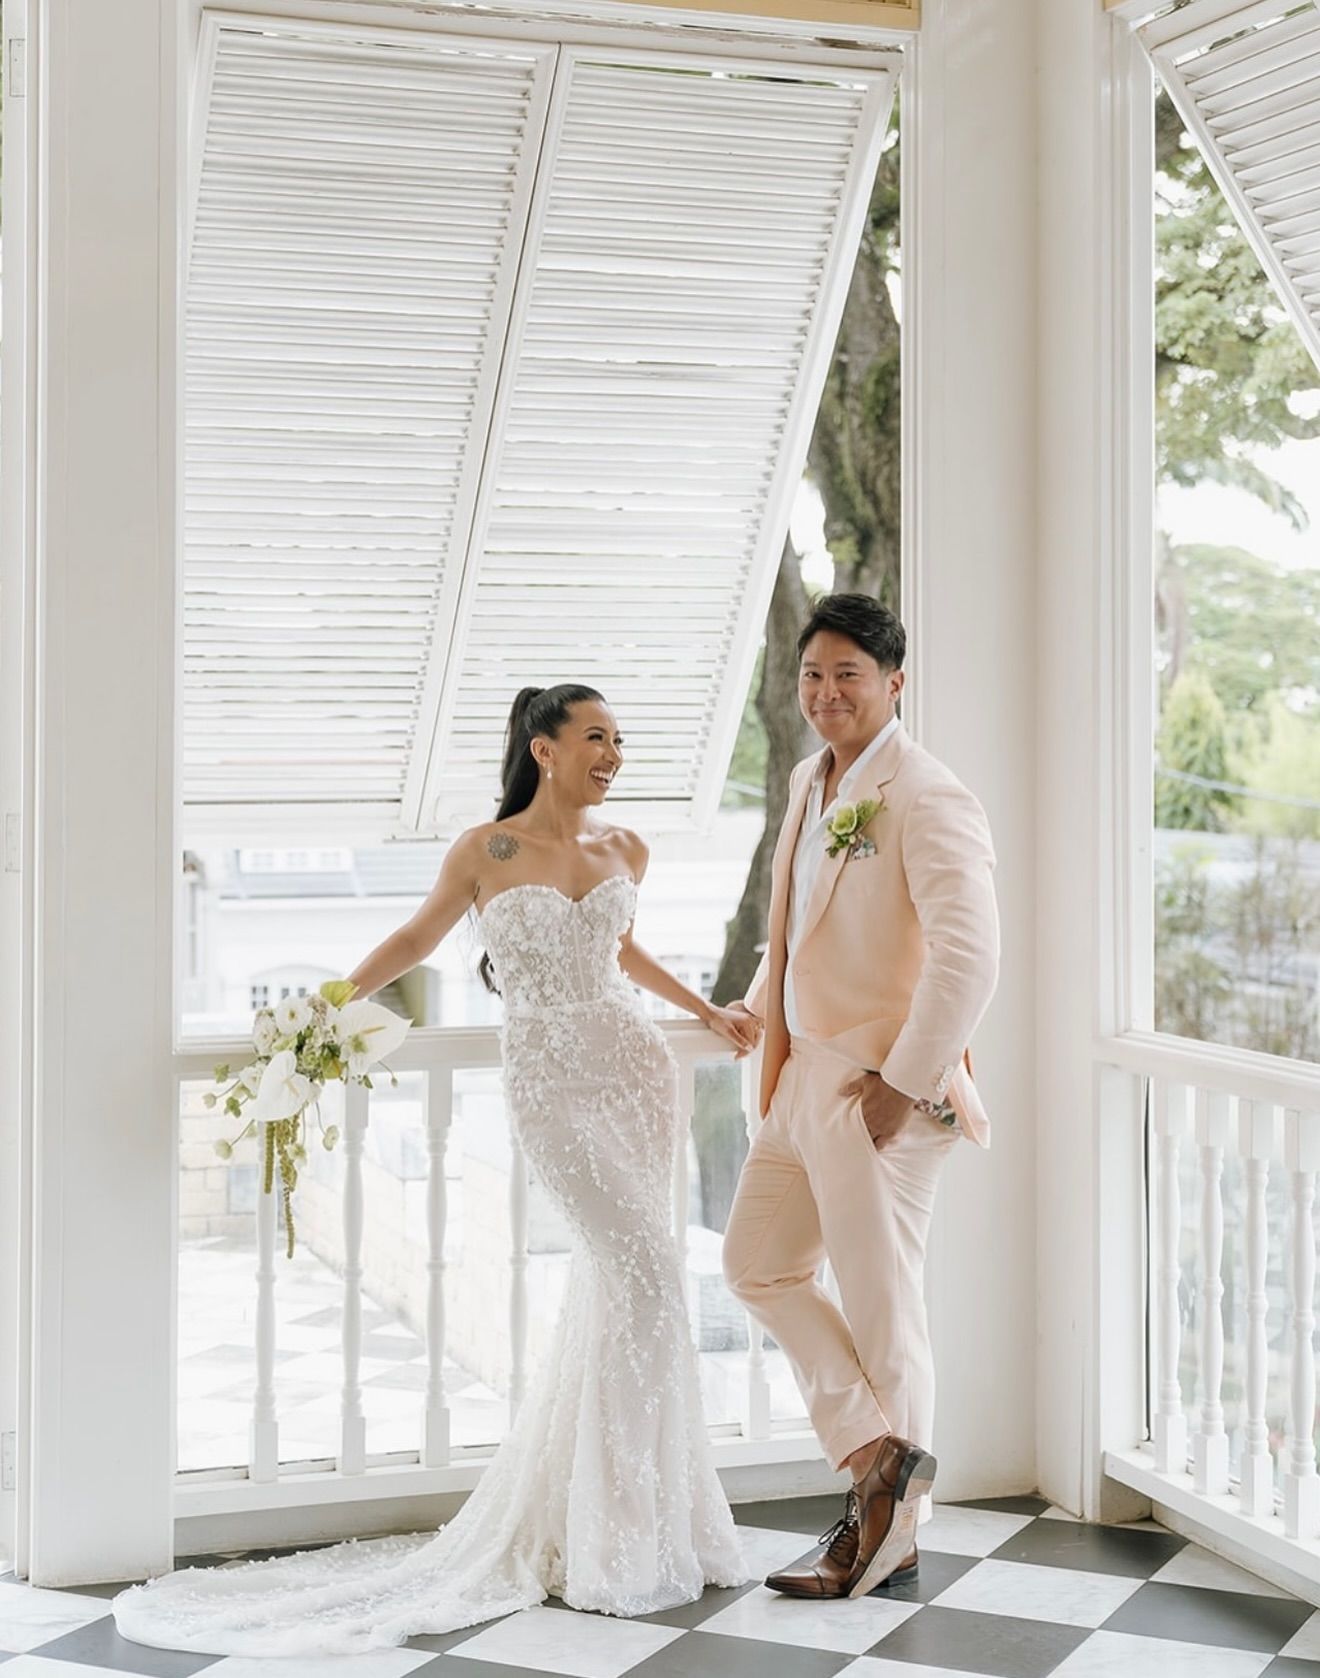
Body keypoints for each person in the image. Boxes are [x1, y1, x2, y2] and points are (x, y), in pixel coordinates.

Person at [114, 683, 754, 1656]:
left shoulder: (627, 849)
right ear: (543, 749)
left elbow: (621, 951)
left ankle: (632, 1526)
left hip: (633, 1073)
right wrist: (317, 1007)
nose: (612, 753)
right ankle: (613, 1528)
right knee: (647, 1278)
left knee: (630, 1292)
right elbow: (416, 940)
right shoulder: (486, 851)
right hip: (551, 1085)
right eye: (594, 737)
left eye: (619, 740)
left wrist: (707, 1013)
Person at [722, 594, 999, 1602]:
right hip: (800, 1075)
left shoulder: (927, 792)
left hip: (879, 1094)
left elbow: (970, 958)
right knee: (755, 1265)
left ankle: (889, 1535)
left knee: (888, 1318)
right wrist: (753, 1010)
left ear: (894, 682)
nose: (826, 693)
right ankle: (880, 1455)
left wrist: (903, 1086)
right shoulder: (810, 777)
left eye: (848, 674)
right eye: (812, 675)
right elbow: (795, 924)